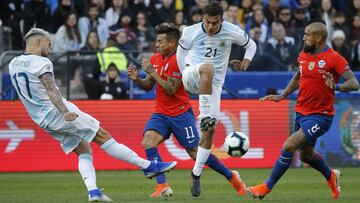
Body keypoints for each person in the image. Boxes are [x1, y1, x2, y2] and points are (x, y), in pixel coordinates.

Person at [8, 28, 177, 202]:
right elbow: (51, 89)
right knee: (102, 135)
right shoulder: (41, 63)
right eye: (49, 44)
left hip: (42, 120)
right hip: (57, 112)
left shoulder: (14, 63)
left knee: (83, 149)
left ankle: (93, 191)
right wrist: (65, 112)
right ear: (38, 43)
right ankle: (148, 166)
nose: (50, 50)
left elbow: (21, 88)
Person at [127, 23, 246, 198]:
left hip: (180, 114)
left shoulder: (180, 61)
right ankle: (162, 186)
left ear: (173, 43)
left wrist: (152, 72)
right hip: (160, 113)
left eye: (160, 41)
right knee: (148, 142)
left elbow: (170, 89)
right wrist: (137, 79)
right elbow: (148, 86)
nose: (156, 44)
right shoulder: (155, 58)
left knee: (195, 153)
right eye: (156, 41)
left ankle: (231, 175)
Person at [247, 22, 359, 200]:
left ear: (319, 38)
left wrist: (335, 87)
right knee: (306, 156)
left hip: (320, 116)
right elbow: (298, 76)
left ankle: (266, 187)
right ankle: (331, 176)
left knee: (289, 145)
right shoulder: (304, 53)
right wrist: (282, 95)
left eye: (307, 34)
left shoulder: (333, 58)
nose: (304, 37)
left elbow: (354, 83)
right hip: (301, 112)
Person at [176, 1, 257, 197]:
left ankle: (195, 174)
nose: (211, 26)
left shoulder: (232, 30)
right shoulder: (190, 31)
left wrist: (245, 62)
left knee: (209, 131)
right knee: (208, 67)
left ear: (222, 19)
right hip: (192, 74)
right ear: (202, 18)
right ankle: (204, 115)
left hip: (213, 85)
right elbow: (180, 54)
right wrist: (184, 74)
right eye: (207, 22)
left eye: (215, 22)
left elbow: (251, 45)